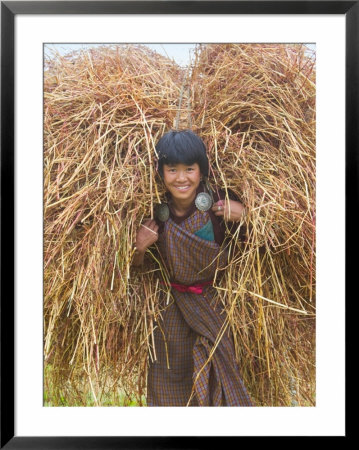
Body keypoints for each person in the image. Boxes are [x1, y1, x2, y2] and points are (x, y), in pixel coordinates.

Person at [132, 130, 253, 406]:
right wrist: (139, 249)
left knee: (219, 379)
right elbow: (139, 272)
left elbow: (263, 243)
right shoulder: (153, 214)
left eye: (189, 169)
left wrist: (245, 214)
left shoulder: (219, 205)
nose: (182, 178)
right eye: (172, 170)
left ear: (202, 171)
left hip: (214, 307)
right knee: (168, 383)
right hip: (170, 313)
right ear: (161, 173)